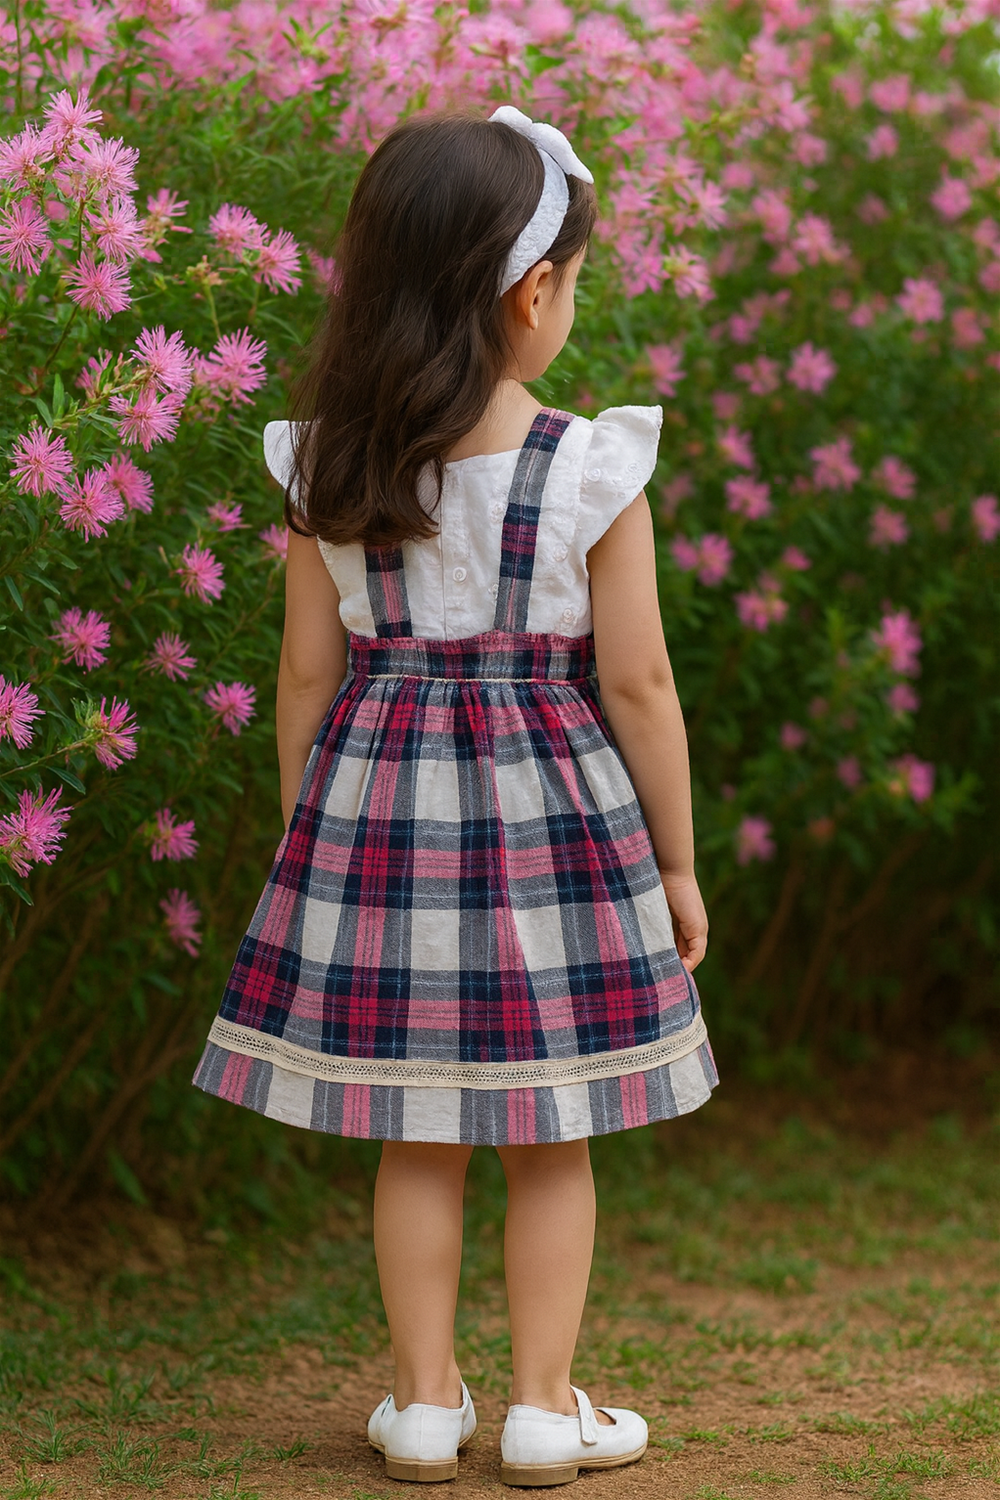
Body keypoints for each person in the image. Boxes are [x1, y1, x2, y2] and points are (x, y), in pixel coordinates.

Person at [193, 105, 716, 1488]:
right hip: (559, 837)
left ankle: (424, 1404)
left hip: (379, 834)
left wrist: (311, 839)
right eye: (574, 282)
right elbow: (640, 683)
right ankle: (543, 1407)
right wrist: (676, 865)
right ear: (533, 294)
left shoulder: (333, 463)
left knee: (416, 1132)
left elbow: (306, 679)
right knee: (553, 1134)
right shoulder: (591, 467)